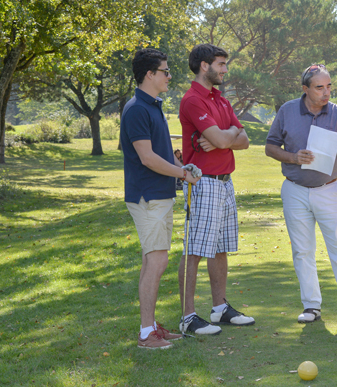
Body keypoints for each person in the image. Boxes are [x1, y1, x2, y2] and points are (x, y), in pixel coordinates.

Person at [265, 64, 337, 324]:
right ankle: (311, 306)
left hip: (328, 190)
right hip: (294, 190)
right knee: (302, 251)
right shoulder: (287, 111)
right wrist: (293, 157)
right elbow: (270, 147)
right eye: (320, 87)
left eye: (329, 86)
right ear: (305, 89)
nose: (326, 92)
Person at [120, 48, 200, 349]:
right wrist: (181, 175)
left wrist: (180, 167)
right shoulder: (138, 109)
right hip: (147, 196)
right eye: (165, 71)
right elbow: (148, 158)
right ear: (149, 74)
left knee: (152, 260)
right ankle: (145, 334)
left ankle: (151, 325)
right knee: (157, 260)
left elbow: (159, 155)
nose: (169, 76)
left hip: (158, 194)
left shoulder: (152, 105)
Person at [178, 44, 253, 335]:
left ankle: (220, 308)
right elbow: (225, 140)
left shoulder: (220, 99)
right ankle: (188, 316)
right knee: (195, 250)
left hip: (224, 182)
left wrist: (228, 136)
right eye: (221, 64)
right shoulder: (192, 100)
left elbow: (243, 140)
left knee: (220, 249)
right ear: (204, 66)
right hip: (202, 182)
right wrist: (228, 136)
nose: (225, 70)